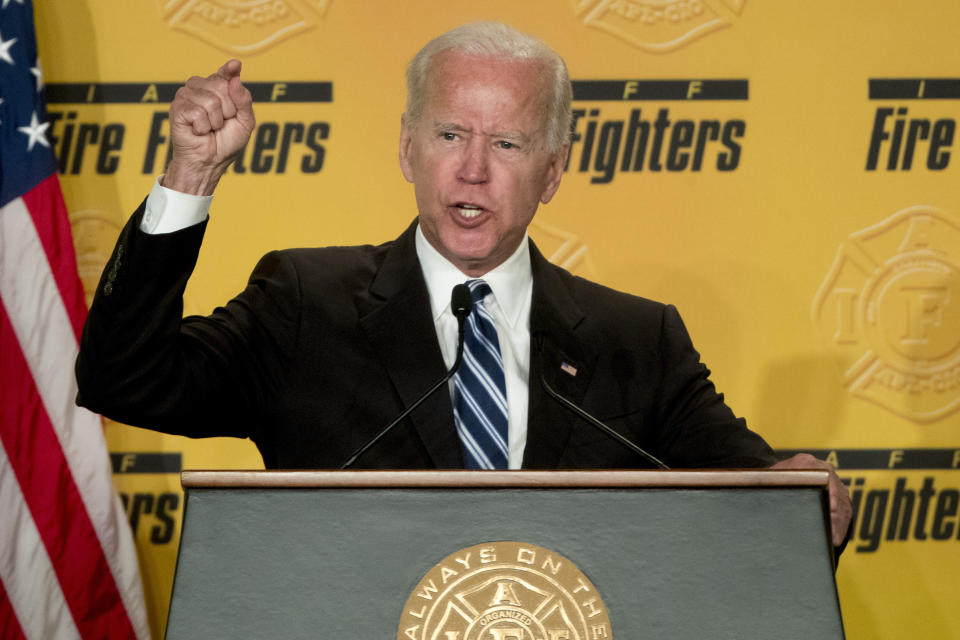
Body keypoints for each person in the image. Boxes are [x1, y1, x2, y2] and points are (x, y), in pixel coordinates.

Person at [75, 22, 851, 548]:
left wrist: (806, 499)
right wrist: (191, 174)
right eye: (450, 134)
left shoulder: (635, 342)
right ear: (408, 148)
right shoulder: (305, 301)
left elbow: (768, 509)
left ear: (552, 172)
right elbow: (126, 380)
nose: (472, 168)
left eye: (506, 142)